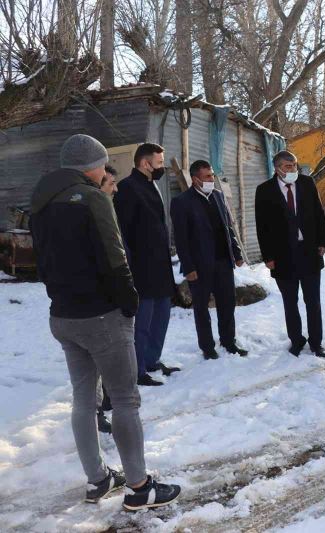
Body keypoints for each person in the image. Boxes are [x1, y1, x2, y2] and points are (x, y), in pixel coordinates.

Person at [30, 134, 180, 510]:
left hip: (63, 315)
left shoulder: (41, 202)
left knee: (83, 399)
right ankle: (139, 487)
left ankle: (98, 480)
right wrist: (129, 301)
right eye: (101, 164)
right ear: (91, 166)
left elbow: (42, 263)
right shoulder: (93, 198)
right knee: (126, 399)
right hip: (101, 315)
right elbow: (115, 257)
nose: (103, 171)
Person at [114, 143, 179, 386]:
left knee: (161, 317)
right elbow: (124, 232)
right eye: (160, 163)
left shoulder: (151, 185)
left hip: (161, 266)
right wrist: (129, 267)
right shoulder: (127, 189)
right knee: (142, 323)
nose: (162, 167)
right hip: (142, 269)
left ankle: (152, 359)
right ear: (145, 163)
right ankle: (138, 369)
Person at [170, 160, 248, 360]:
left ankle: (229, 341)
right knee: (202, 308)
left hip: (223, 262)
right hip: (199, 266)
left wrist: (237, 254)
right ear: (195, 179)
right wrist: (188, 267)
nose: (211, 179)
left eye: (212, 175)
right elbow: (181, 238)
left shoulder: (218, 196)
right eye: (207, 177)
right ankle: (207, 347)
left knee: (227, 304)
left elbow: (228, 227)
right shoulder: (182, 202)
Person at [255, 151, 325, 358]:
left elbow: (319, 214)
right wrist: (267, 256)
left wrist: (323, 242)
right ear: (277, 168)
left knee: (313, 301)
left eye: (294, 166)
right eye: (288, 167)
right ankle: (296, 340)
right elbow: (262, 226)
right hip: (282, 256)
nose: (292, 170)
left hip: (309, 252)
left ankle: (316, 342)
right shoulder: (264, 190)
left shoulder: (307, 183)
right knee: (290, 301)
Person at [97, 164, 119, 434]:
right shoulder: (91, 213)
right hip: (95, 302)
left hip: (111, 298)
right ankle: (97, 409)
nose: (115, 189)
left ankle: (107, 399)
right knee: (98, 360)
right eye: (110, 183)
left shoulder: (108, 208)